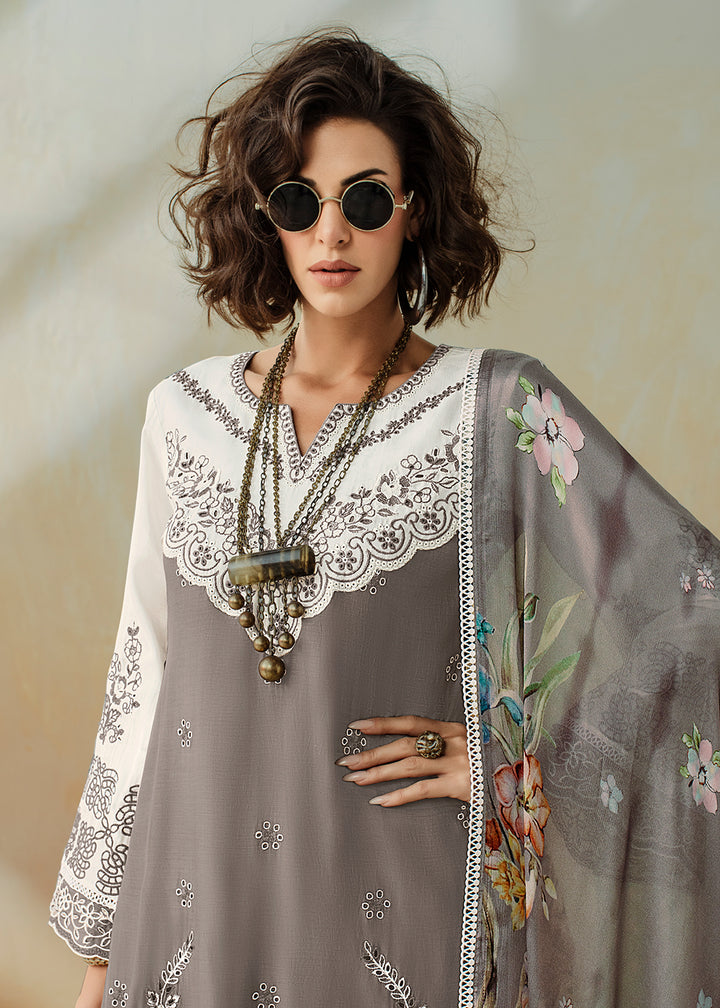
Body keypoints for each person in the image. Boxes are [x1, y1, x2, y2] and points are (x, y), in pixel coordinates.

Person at [50, 29, 719, 1008]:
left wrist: (513, 764)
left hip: (401, 927)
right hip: (189, 925)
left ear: (413, 212)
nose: (332, 234)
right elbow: (140, 680)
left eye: (364, 201)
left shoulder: (493, 410)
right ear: (266, 218)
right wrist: (100, 959)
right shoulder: (181, 417)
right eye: (299, 202)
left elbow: (692, 608)